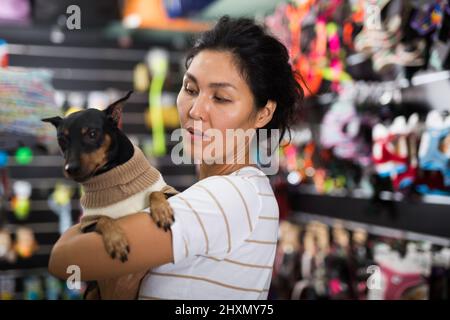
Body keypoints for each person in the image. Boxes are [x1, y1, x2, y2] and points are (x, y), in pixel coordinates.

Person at [48, 16, 303, 300]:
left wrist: (91, 225)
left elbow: (64, 259)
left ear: (263, 113)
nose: (195, 110)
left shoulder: (228, 196)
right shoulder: (234, 191)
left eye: (220, 98)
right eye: (191, 89)